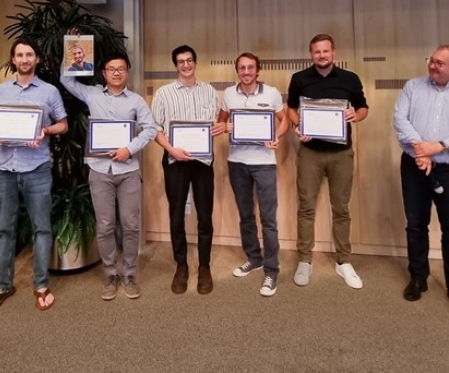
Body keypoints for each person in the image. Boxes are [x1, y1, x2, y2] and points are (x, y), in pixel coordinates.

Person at [393, 44, 449, 317]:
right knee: (416, 225)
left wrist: (439, 146)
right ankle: (418, 278)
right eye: (431, 60)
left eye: (440, 63)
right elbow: (400, 119)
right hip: (414, 167)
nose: (433, 66)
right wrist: (421, 149)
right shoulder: (413, 86)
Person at [60, 53, 157, 300]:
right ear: (103, 73)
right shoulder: (92, 94)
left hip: (128, 172)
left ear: (127, 72)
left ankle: (130, 274)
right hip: (100, 170)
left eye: (121, 69)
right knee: (104, 226)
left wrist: (130, 148)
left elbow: (151, 129)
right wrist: (72, 51)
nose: (116, 72)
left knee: (131, 224)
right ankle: (111, 274)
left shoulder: (136, 101)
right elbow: (67, 81)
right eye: (111, 69)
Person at [0, 39, 68, 313]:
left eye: (29, 54)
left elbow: (63, 125)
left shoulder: (49, 91)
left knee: (42, 228)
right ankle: (2, 285)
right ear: (13, 60)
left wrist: (45, 132)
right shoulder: (0, 91)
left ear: (37, 59)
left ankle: (41, 284)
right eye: (19, 55)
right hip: (5, 168)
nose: (24, 59)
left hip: (37, 168)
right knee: (4, 229)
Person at [286, 34, 369, 288]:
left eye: (325, 51)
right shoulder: (299, 79)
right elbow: (290, 109)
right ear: (311, 54)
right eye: (316, 52)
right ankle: (304, 260)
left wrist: (355, 114)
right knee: (306, 208)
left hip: (341, 153)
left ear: (333, 52)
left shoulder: (350, 79)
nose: (321, 56)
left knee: (341, 208)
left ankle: (343, 261)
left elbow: (364, 108)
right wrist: (298, 123)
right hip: (310, 153)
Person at [152, 45, 224, 295]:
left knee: (205, 215)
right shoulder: (164, 93)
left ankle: (204, 266)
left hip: (203, 162)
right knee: (176, 216)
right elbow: (156, 129)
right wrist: (172, 150)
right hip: (175, 161)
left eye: (189, 60)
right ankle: (181, 265)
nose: (186, 65)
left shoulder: (210, 92)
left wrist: (219, 128)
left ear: (196, 62)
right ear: (175, 65)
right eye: (181, 61)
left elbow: (217, 123)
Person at [218, 52, 289, 297]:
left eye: (251, 68)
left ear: (258, 70)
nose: (246, 72)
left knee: (268, 220)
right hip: (237, 162)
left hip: (264, 163)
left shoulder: (271, 94)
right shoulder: (228, 94)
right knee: (246, 215)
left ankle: (271, 270)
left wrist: (276, 136)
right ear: (236, 70)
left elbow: (285, 121)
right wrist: (225, 126)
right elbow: (221, 123)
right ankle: (254, 258)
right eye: (242, 68)